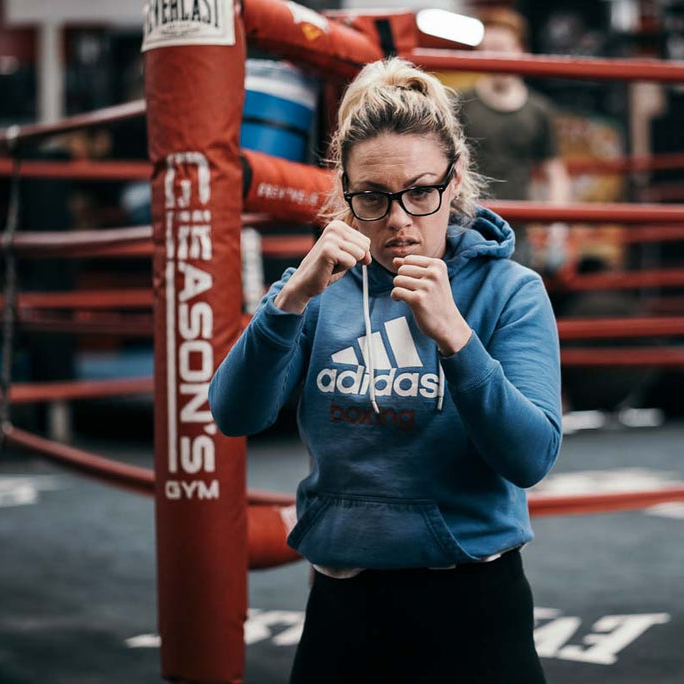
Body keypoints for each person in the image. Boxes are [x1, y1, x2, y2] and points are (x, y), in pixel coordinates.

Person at [209, 57, 561, 683]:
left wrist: (456, 337)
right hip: (344, 600)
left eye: (420, 192)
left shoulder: (510, 291)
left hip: (472, 599)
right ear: (344, 192)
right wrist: (289, 301)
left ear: (454, 182)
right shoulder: (320, 287)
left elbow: (531, 458)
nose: (398, 219)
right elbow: (235, 414)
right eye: (372, 197)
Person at [459, 7, 572, 276]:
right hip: (466, 225)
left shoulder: (538, 110)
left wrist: (558, 230)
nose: (494, 56)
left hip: (516, 231)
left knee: (511, 305)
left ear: (519, 50)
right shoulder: (461, 103)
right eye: (488, 49)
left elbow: (555, 173)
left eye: (501, 48)